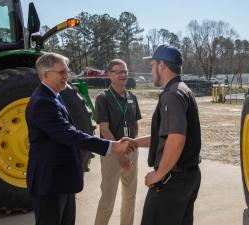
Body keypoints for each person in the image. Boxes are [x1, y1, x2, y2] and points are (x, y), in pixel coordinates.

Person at [25, 52, 135, 225]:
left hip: (62, 180)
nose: (66, 76)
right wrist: (112, 146)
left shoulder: (55, 96)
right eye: (61, 72)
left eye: (66, 71)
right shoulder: (42, 102)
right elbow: (69, 134)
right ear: (46, 75)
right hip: (50, 182)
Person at [127, 44, 202, 225]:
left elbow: (176, 139)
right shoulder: (183, 89)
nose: (151, 70)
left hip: (172, 181)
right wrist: (135, 142)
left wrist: (159, 174)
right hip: (187, 177)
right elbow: (167, 136)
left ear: (161, 65)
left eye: (152, 65)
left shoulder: (172, 94)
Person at [94, 59, 142, 225]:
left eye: (125, 71)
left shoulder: (132, 97)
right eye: (118, 72)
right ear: (110, 75)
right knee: (108, 200)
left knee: (130, 197)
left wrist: (132, 148)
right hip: (112, 154)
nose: (123, 75)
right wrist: (120, 154)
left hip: (131, 152)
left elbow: (135, 124)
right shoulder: (103, 98)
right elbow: (104, 129)